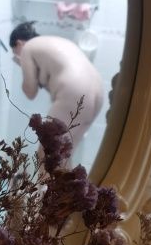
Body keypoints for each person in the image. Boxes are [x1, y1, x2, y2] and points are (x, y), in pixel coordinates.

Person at [9, 21, 104, 151]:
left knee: (46, 155)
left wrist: (21, 63)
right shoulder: (50, 42)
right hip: (98, 91)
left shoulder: (27, 48)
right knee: (63, 155)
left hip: (75, 91)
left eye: (15, 52)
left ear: (19, 43)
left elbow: (30, 92)